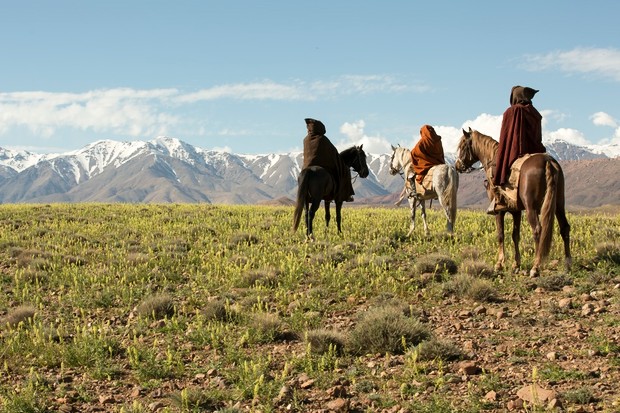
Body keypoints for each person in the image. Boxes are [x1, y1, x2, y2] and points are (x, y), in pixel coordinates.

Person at [488, 85, 546, 214]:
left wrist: (503, 153)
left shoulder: (511, 111)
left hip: (518, 150)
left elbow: (506, 136)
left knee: (496, 168)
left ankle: (499, 200)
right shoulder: (535, 113)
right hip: (536, 150)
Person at [302, 118, 355, 202]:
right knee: (343, 172)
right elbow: (333, 153)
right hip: (324, 165)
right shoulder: (322, 139)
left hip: (307, 166)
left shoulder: (305, 140)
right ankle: (344, 194)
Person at [409, 125, 446, 191]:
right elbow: (441, 153)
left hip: (427, 163)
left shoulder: (423, 141)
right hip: (439, 162)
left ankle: (414, 190)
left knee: (413, 174)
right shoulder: (438, 140)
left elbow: (414, 152)